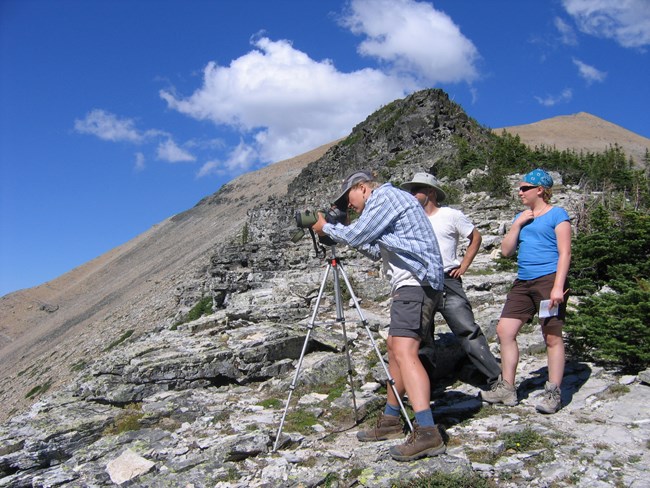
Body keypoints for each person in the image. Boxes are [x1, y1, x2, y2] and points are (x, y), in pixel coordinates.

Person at [311, 169, 447, 462]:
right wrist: (340, 230)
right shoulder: (389, 203)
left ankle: (427, 432)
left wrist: (327, 228)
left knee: (404, 349)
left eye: (349, 199)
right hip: (412, 283)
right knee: (395, 349)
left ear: (362, 188)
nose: (350, 206)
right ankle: (390, 420)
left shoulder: (385, 197)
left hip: (415, 283)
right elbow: (374, 248)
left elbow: (359, 233)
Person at [480, 168, 571, 414]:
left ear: (539, 190)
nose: (519, 192)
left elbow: (565, 253)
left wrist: (558, 287)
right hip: (523, 281)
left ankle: (553, 393)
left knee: (551, 336)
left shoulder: (557, 215)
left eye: (524, 188)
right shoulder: (522, 217)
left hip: (549, 280)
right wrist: (518, 223)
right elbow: (507, 251)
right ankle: (507, 388)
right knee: (504, 330)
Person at [400, 173, 502, 388]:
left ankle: (496, 380)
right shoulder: (410, 220)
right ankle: (426, 386)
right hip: (421, 282)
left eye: (416, 189)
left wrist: (464, 265)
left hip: (448, 279)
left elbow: (475, 237)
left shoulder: (451, 215)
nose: (411, 194)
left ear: (431, 192)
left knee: (467, 330)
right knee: (423, 337)